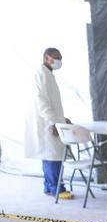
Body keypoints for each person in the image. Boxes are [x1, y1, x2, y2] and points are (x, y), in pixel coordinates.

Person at [24, 47, 73, 199]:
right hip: (47, 123)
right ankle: (57, 188)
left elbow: (53, 103)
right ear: (47, 58)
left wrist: (61, 119)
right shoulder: (41, 74)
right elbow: (42, 102)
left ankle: (48, 186)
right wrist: (54, 123)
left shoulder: (48, 74)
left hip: (52, 120)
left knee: (49, 155)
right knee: (53, 155)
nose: (59, 61)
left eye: (60, 57)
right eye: (56, 57)